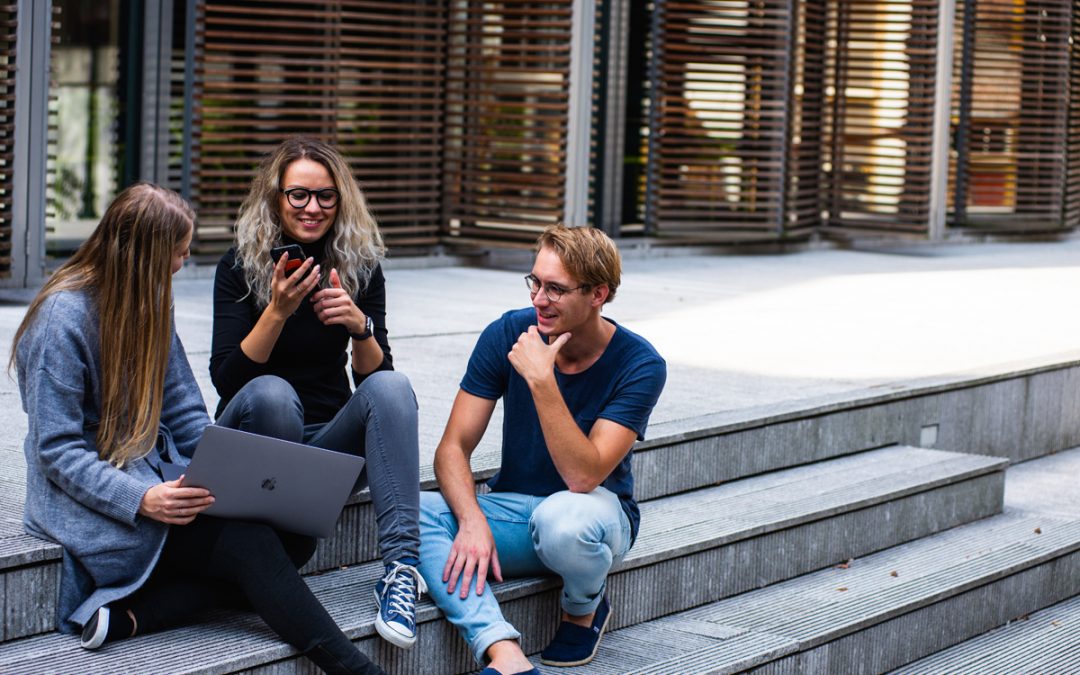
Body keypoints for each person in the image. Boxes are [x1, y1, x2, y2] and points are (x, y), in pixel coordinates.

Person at [13, 183, 385, 674]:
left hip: (156, 477)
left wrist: (218, 476)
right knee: (250, 545)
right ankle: (356, 669)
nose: (181, 265)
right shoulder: (61, 320)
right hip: (91, 502)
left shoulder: (149, 301)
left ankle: (136, 616)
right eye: (178, 254)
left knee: (293, 540)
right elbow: (56, 452)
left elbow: (187, 413)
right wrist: (141, 499)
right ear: (143, 255)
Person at [416, 224, 667, 674]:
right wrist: (472, 520)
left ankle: (583, 608)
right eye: (535, 282)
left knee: (563, 519)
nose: (538, 299)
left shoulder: (640, 364)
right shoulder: (509, 332)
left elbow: (583, 477)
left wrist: (541, 379)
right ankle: (502, 651)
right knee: (413, 511)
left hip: (594, 518)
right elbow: (452, 447)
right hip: (515, 511)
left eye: (555, 288)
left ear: (598, 294)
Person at [210, 136, 424, 649]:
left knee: (394, 388)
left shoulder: (360, 266)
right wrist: (277, 311)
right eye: (298, 195)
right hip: (256, 439)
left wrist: (360, 327)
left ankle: (400, 572)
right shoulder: (239, 266)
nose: (312, 208)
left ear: (341, 199)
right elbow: (227, 380)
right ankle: (269, 552)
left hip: (325, 449)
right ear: (276, 197)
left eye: (326, 196)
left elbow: (376, 384)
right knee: (273, 395)